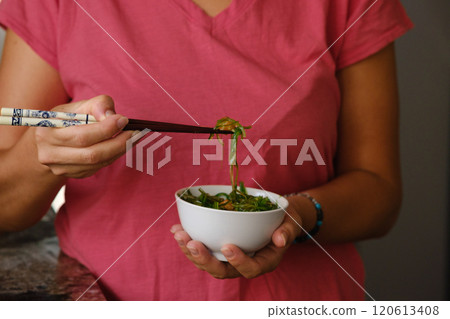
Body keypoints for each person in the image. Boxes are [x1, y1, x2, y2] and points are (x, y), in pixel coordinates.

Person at [0, 0, 412, 300]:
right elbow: (6, 204)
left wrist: (296, 217)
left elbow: (380, 195)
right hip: (105, 298)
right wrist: (43, 155)